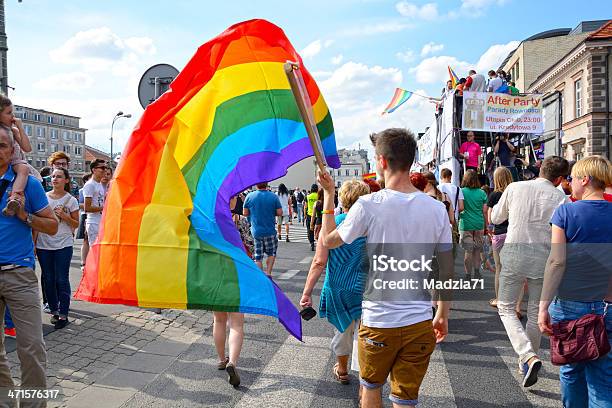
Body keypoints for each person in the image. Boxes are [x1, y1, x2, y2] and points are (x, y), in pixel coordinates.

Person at [318, 128, 453, 408]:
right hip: (418, 320)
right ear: (412, 161)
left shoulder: (368, 205)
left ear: (381, 161)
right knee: (405, 399)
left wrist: (329, 196)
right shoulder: (436, 209)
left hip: (379, 321)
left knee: (371, 390)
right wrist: (441, 313)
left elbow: (329, 241)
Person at [538, 155, 612, 407]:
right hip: (607, 305)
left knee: (570, 370)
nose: (569, 183)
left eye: (572, 178)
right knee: (603, 377)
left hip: (569, 303)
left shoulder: (566, 212)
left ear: (585, 179)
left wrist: (543, 305)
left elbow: (556, 262)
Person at [491, 155, 569, 388]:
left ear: (540, 168)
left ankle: (527, 356)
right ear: (560, 179)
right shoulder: (561, 198)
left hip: (515, 253)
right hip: (544, 258)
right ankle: (527, 359)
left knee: (505, 307)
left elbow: (497, 217)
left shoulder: (515, 187)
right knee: (535, 313)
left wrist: (495, 210)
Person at [0, 126, 58, 405]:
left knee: (32, 347)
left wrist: (25, 216)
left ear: (12, 151)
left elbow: (52, 225)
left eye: (2, 145)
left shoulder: (29, 185)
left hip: (18, 274)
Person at [300, 179, 370, 385]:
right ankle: (365, 379)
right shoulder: (370, 224)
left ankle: (341, 369)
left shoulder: (334, 223)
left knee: (342, 330)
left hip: (338, 288)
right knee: (364, 334)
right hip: (364, 286)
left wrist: (306, 292)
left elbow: (319, 261)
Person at [36, 168, 79, 329]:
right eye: (53, 176)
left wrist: (65, 216)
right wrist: (33, 244)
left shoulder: (71, 200)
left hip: (64, 244)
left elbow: (76, 224)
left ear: (66, 180)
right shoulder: (43, 198)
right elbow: (37, 222)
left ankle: (63, 314)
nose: (55, 179)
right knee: (48, 279)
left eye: (59, 176)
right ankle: (54, 310)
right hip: (44, 243)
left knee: (61, 279)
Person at [214, 195, 246, 388]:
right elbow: (249, 245)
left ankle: (221, 359)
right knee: (237, 323)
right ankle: (233, 362)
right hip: (235, 272)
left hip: (213, 272)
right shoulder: (239, 221)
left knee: (218, 320)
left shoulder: (208, 219)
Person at [0, 95, 37, 216]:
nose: (13, 116)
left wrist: (20, 128)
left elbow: (27, 148)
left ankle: (14, 197)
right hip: (5, 163)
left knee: (24, 168)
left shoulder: (13, 130)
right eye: (9, 113)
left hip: (15, 161)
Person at [486, 166, 512, 308]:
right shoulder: (514, 193)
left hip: (499, 233)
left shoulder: (494, 195)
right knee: (514, 269)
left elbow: (490, 219)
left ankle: (498, 299)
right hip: (514, 233)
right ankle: (513, 301)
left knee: (499, 269)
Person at [243, 182, 282, 276]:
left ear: (256, 185)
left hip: (256, 231)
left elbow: (245, 213)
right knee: (271, 253)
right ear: (267, 184)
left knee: (258, 256)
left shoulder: (249, 196)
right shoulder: (274, 196)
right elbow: (280, 212)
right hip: (270, 230)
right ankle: (268, 273)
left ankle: (261, 275)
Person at [459, 170, 487, 280]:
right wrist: (486, 225)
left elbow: (460, 208)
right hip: (479, 223)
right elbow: (484, 211)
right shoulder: (482, 193)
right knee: (477, 250)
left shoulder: (462, 192)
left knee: (468, 251)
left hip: (466, 224)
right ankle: (477, 272)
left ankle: (467, 274)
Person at [82, 159, 108, 245]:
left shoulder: (99, 184)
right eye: (102, 168)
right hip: (93, 223)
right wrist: (105, 208)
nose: (105, 170)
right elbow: (87, 208)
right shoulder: (90, 185)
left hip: (100, 221)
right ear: (94, 170)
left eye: (106, 168)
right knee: (95, 252)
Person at [305, 184, 319, 251]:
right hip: (318, 215)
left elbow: (305, 206)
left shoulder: (307, 196)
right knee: (318, 229)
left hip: (309, 214)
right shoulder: (319, 196)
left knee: (310, 229)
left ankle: (312, 243)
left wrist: (304, 214)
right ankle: (318, 242)